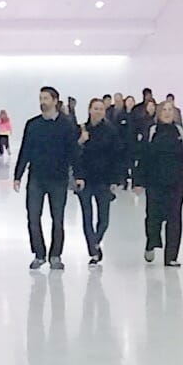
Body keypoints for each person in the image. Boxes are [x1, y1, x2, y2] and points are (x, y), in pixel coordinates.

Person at [14, 86, 76, 269]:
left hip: (58, 179)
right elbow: (25, 150)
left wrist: (78, 175)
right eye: (41, 98)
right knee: (33, 217)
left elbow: (73, 152)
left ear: (55, 101)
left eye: (46, 98)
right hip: (36, 179)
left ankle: (55, 254)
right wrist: (18, 175)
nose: (42, 101)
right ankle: (39, 254)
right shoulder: (33, 125)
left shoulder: (66, 125)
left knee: (58, 219)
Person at [137, 97, 183, 265]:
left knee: (174, 218)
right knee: (153, 216)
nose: (167, 113)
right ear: (158, 113)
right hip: (154, 181)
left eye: (170, 110)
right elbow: (143, 157)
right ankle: (151, 243)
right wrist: (138, 181)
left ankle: (171, 256)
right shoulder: (152, 132)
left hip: (176, 182)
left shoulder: (181, 133)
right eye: (164, 110)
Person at [73, 97, 128, 264]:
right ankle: (93, 250)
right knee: (87, 216)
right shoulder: (80, 130)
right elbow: (73, 156)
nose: (98, 111)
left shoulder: (111, 131)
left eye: (101, 109)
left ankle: (96, 241)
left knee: (104, 218)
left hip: (104, 179)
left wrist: (116, 179)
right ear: (89, 110)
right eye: (95, 108)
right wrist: (80, 142)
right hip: (85, 179)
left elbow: (117, 156)